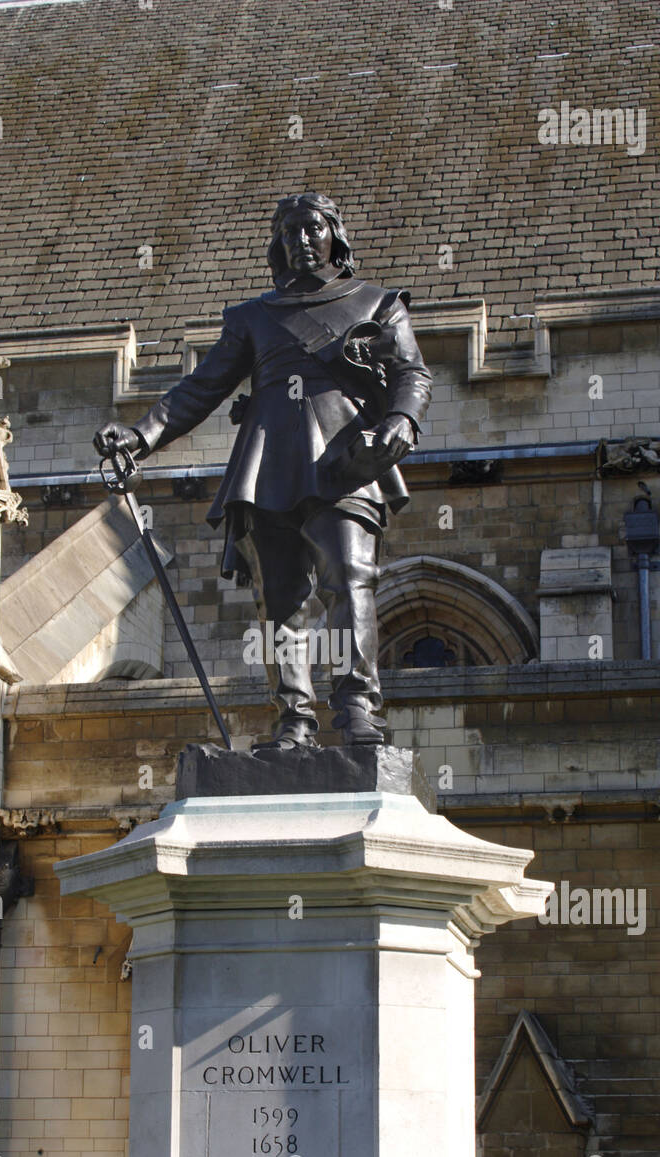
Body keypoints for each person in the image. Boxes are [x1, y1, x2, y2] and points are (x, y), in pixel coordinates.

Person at [94, 192, 432, 749]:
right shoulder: (252, 318)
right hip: (268, 464)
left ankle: (357, 712)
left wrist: (401, 418)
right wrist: (141, 435)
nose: (301, 240)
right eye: (290, 232)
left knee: (350, 581)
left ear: (334, 236)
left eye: (312, 229)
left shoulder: (377, 303)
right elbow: (199, 389)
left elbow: (412, 373)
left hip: (345, 461)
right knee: (280, 603)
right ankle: (294, 722)